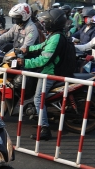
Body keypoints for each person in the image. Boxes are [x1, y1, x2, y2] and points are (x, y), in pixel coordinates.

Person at [16, 9, 75, 141]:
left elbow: (43, 60)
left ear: (52, 23)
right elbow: (43, 46)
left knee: (38, 99)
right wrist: (27, 49)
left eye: (45, 22)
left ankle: (45, 129)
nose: (43, 24)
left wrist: (24, 61)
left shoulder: (56, 37)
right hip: (53, 70)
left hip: (50, 73)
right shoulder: (56, 35)